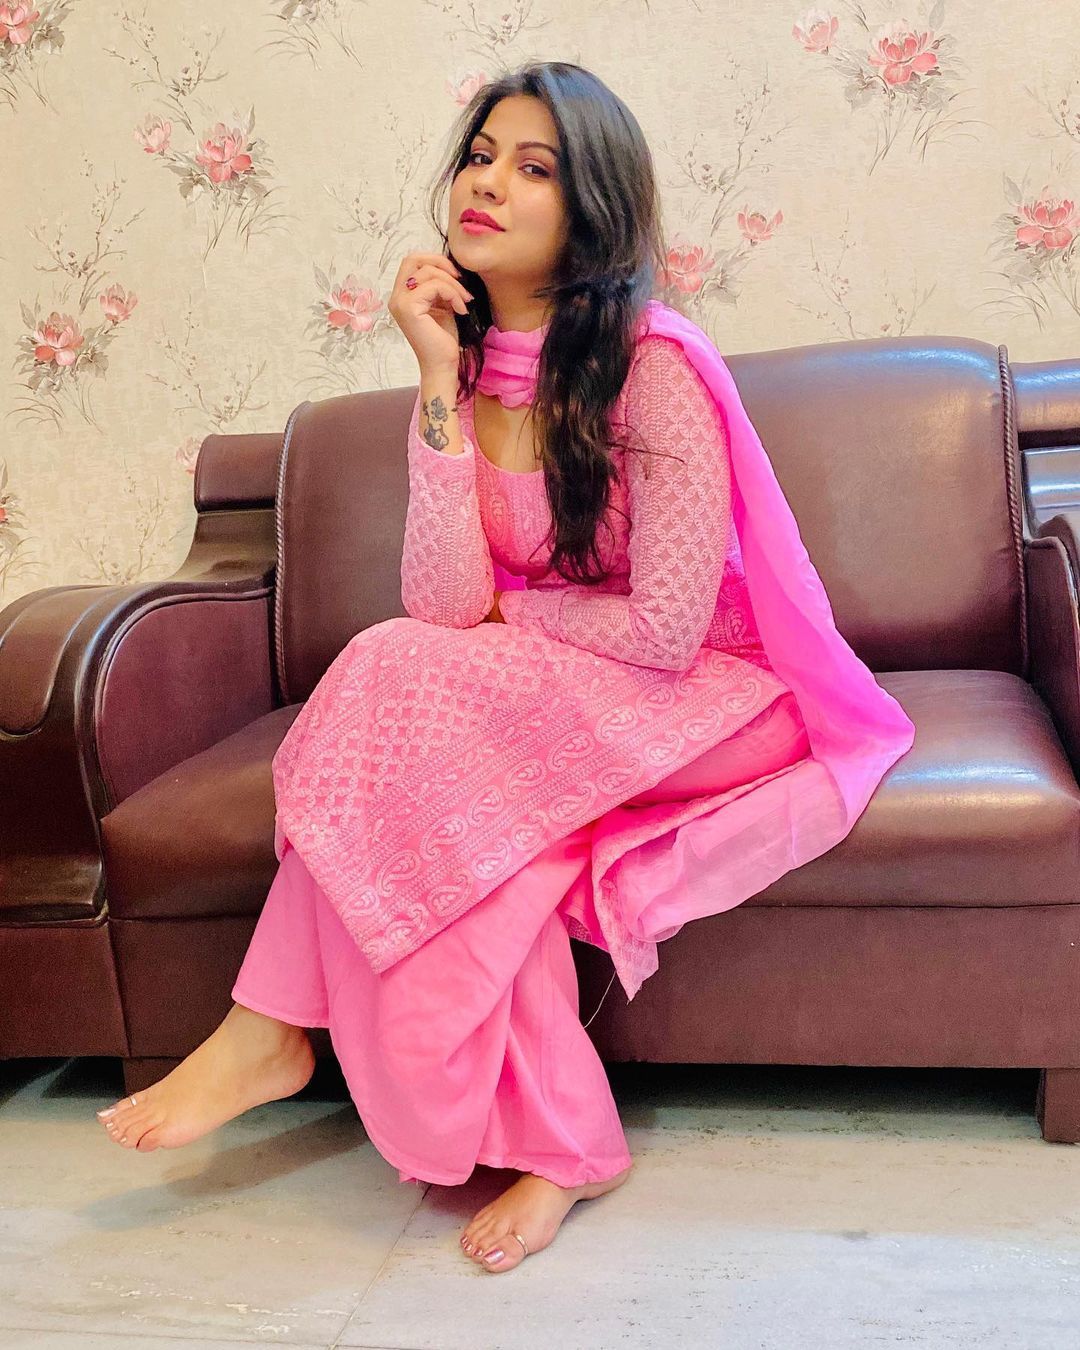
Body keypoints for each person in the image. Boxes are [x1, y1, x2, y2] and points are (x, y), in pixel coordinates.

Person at [94, 61, 915, 1275]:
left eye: (534, 168)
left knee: (399, 676)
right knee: (484, 818)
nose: (487, 183)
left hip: (715, 699)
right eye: (480, 156)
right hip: (577, 696)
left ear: (592, 212)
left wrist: (512, 615)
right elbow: (441, 605)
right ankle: (566, 1147)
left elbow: (666, 631)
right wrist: (436, 375)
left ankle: (270, 1027)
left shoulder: (656, 368)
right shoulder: (471, 376)